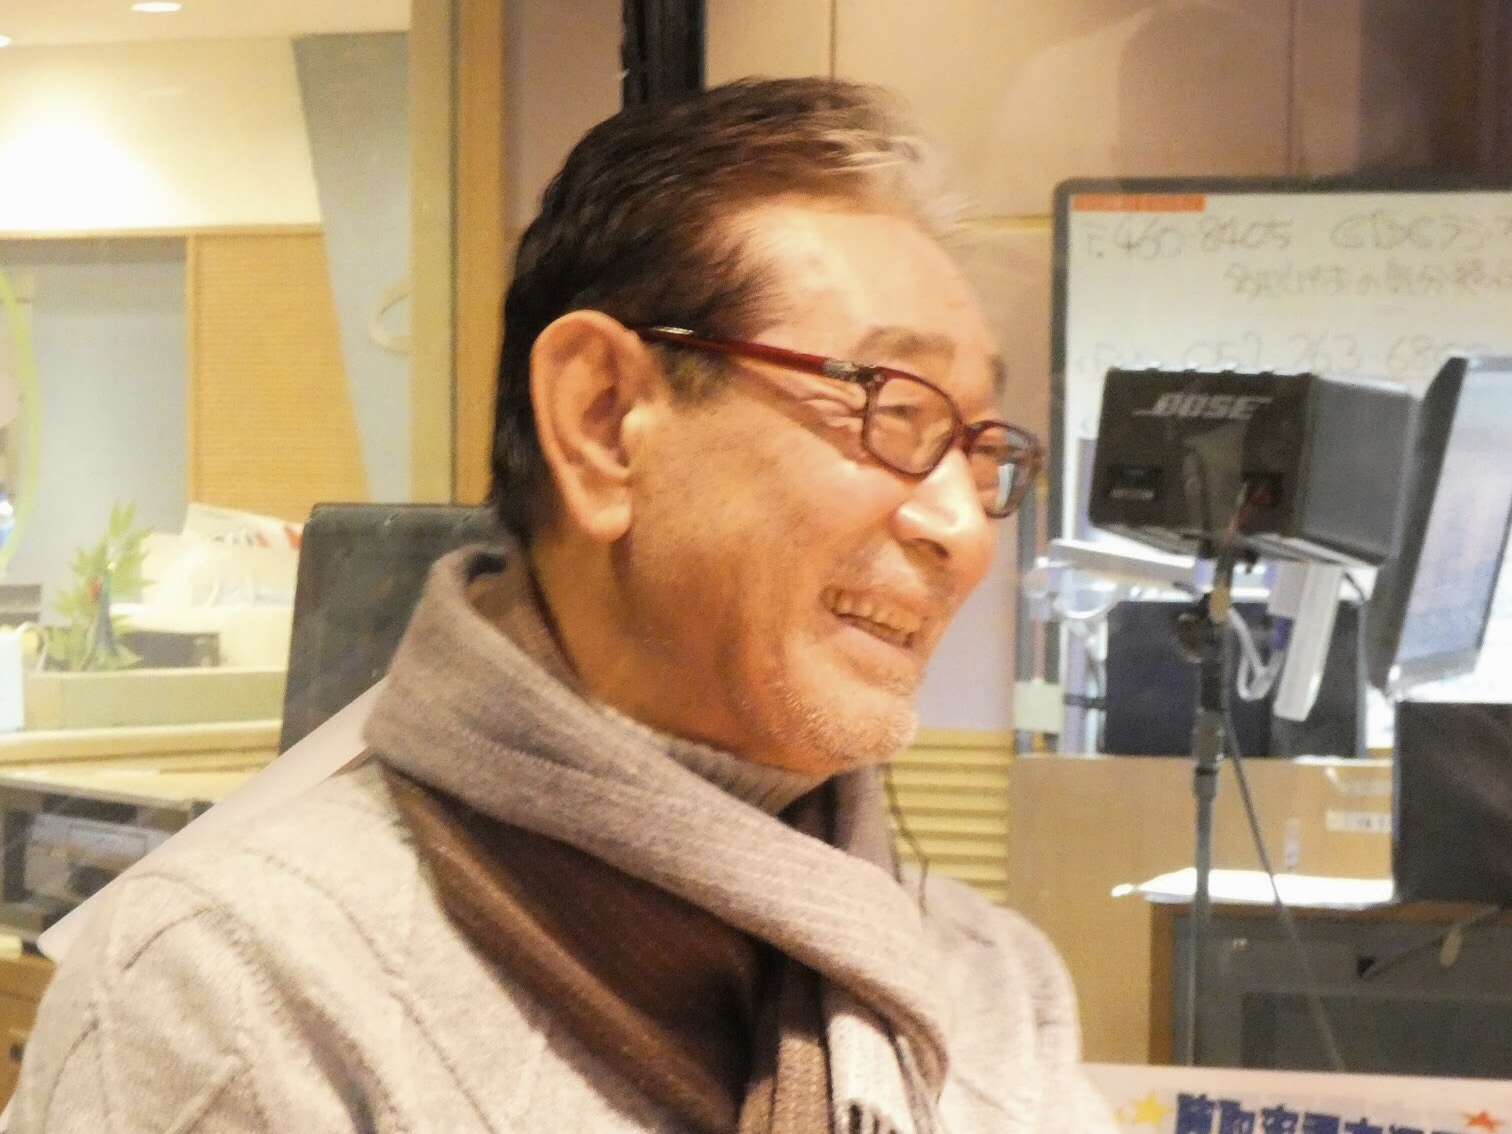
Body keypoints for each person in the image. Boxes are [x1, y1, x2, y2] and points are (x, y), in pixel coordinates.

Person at [9, 78, 1116, 1133]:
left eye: (980, 448)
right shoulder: (230, 988)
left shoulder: (992, 989)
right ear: (602, 420)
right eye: (891, 407)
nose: (964, 529)